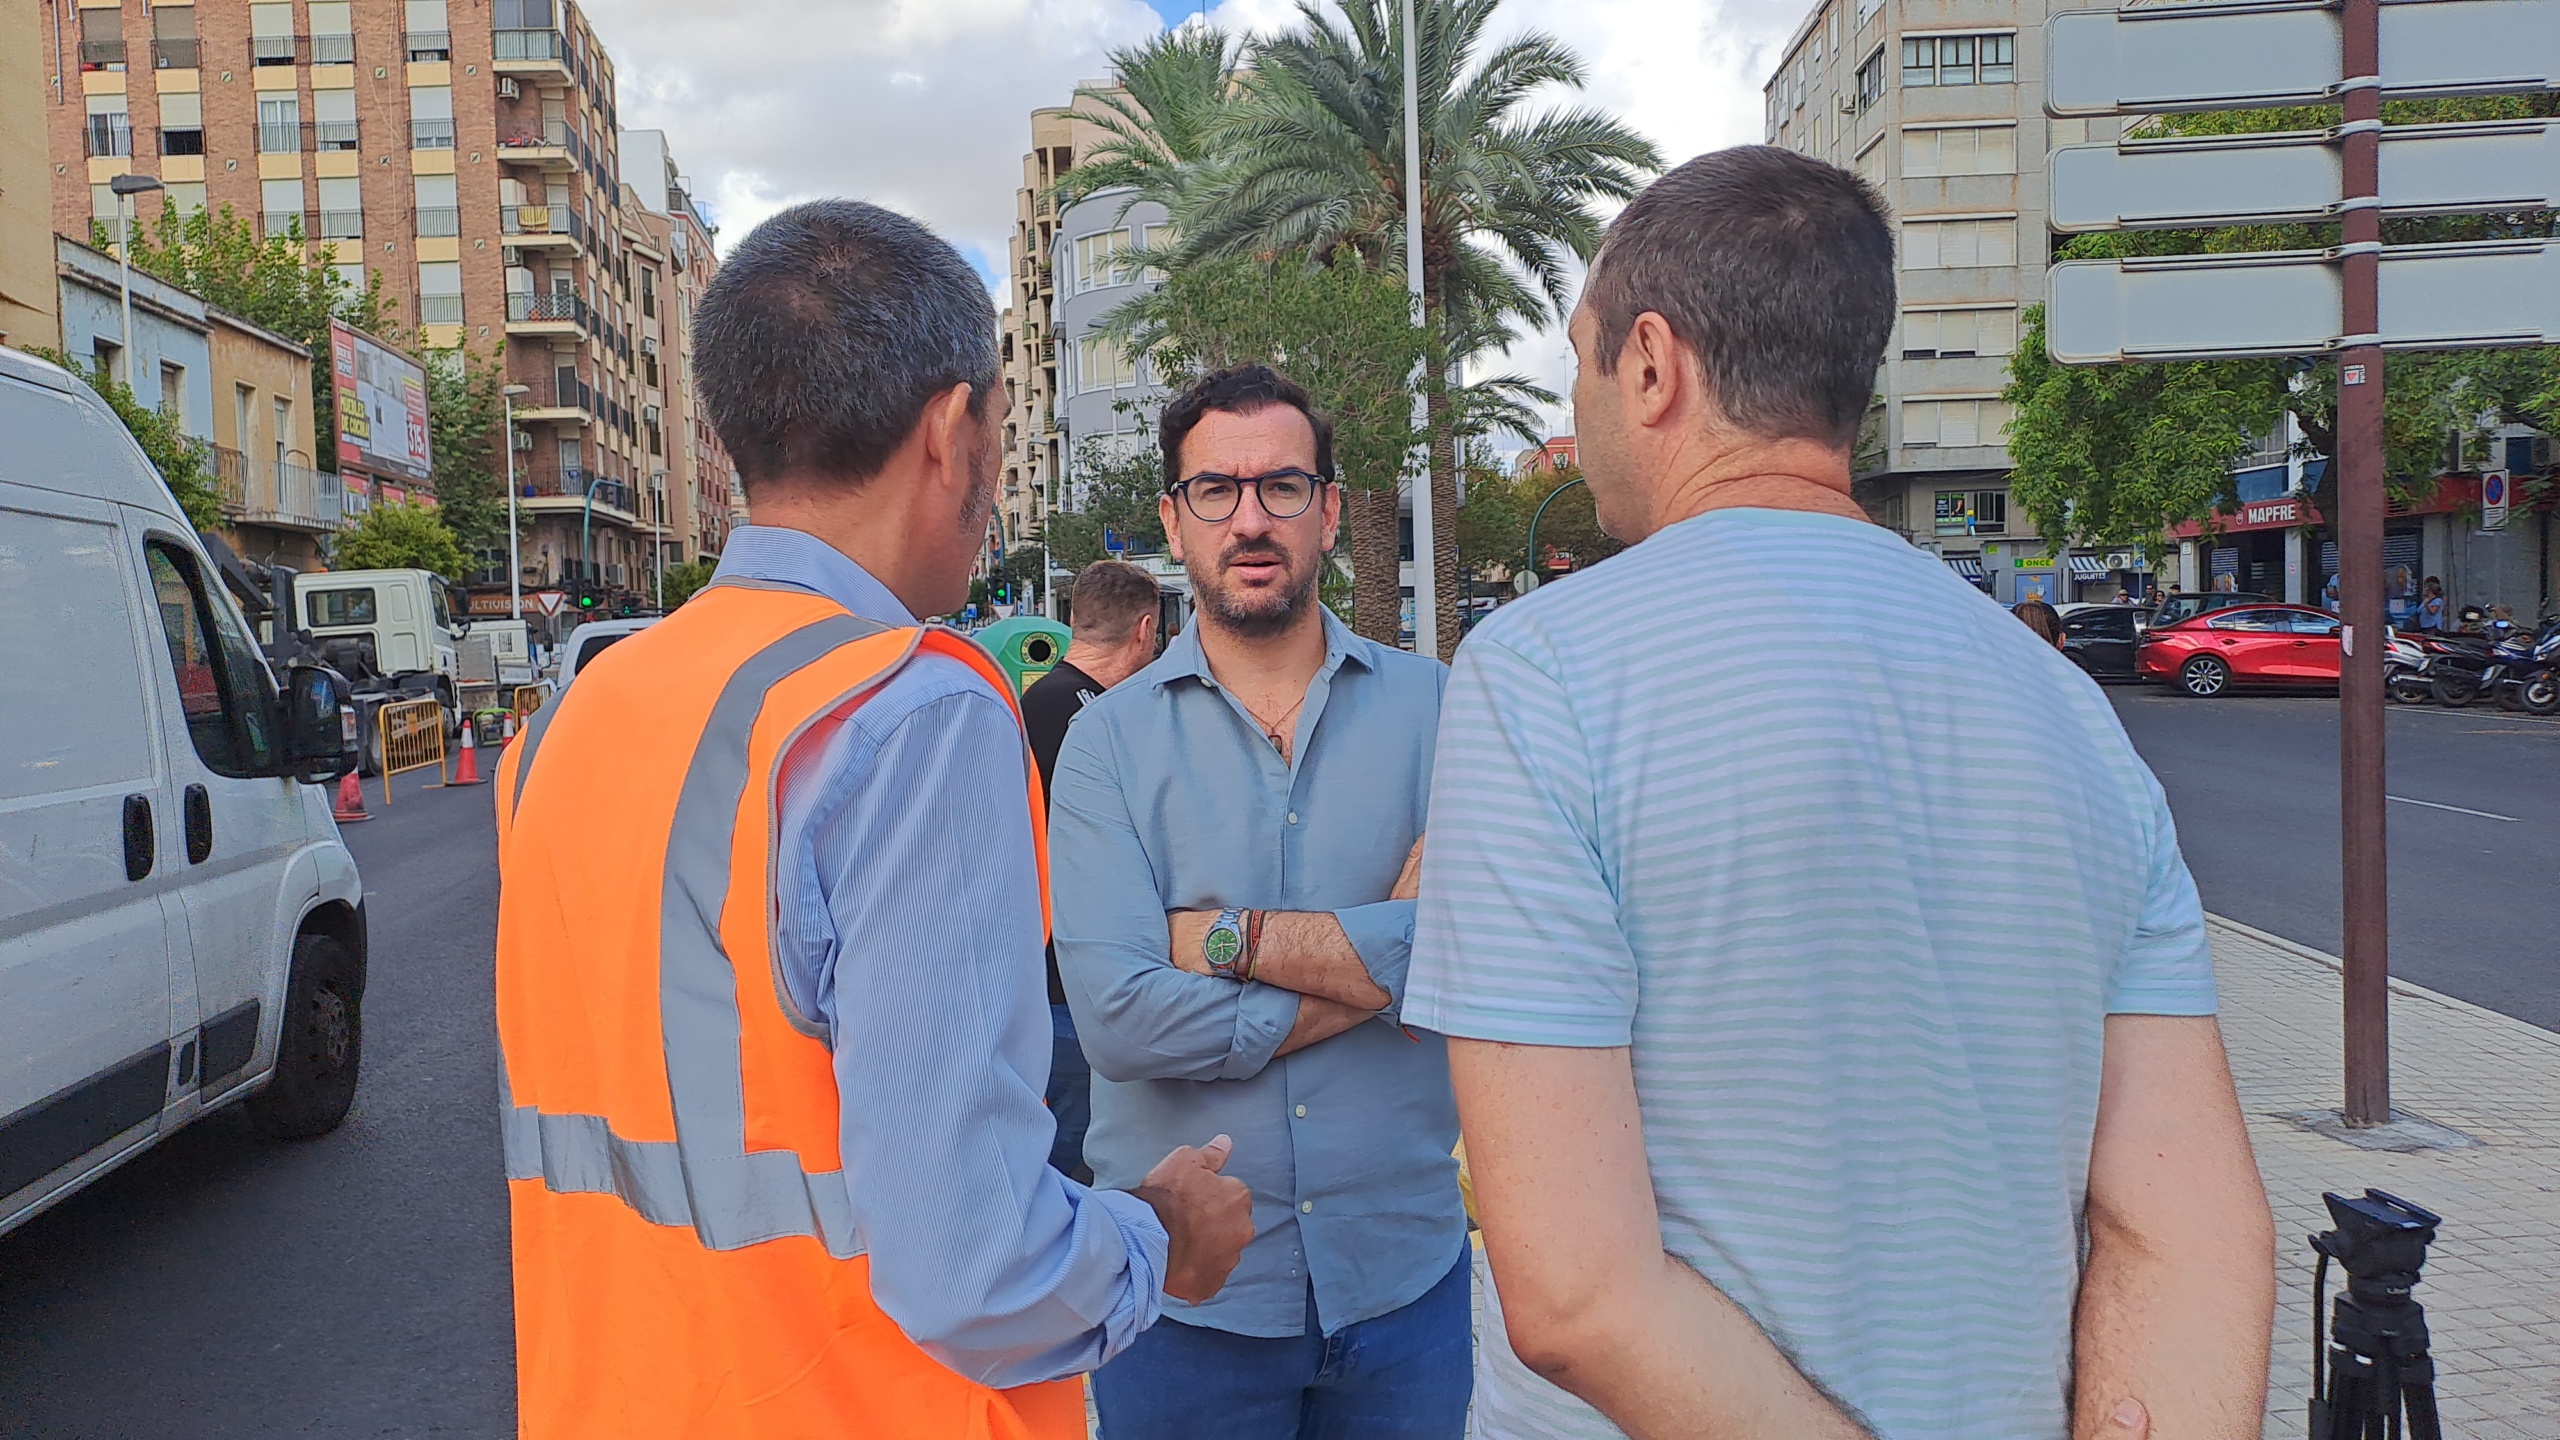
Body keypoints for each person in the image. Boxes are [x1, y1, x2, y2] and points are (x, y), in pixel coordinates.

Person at [1404, 146, 2275, 1440]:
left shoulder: (1545, 675)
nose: (1580, 409)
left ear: (1650, 365)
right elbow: (2188, 1230)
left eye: (1580, 360)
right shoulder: (2069, 715)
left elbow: (1576, 1295)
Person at [493, 200, 1252, 1440]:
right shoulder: (904, 709)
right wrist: (1160, 1236)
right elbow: (977, 1268)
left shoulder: (570, 722)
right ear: (952, 432)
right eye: (1000, 432)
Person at [1049, 365, 1467, 1439]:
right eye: (1214, 492)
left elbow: (1477, 952)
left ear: (1329, 510)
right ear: (1171, 523)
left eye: (1282, 487)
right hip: (1188, 1304)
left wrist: (1219, 940)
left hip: (1403, 1289)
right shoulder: (1105, 740)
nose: (1249, 520)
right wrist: (1376, 973)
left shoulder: (1443, 713)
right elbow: (1117, 1016)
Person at [1022, 558, 1164, 1183]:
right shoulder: (1100, 718)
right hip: (1074, 989)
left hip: (1044, 978)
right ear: (1144, 629)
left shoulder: (1037, 702)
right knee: (1077, 1165)